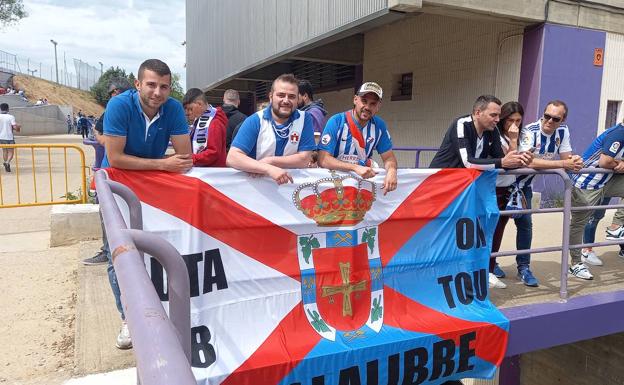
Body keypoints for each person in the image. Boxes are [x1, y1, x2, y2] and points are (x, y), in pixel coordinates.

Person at [101, 59, 192, 349]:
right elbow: (115, 158)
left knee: (156, 248)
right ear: (138, 84)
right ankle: (128, 318)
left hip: (151, 189)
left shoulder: (174, 108)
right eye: (151, 84)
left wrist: (161, 167)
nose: (157, 92)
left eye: (164, 86)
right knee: (121, 253)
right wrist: (162, 165)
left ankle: (158, 307)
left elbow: (185, 156)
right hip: (116, 187)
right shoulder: (119, 105)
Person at [429, 95, 533, 289]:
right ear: (478, 113)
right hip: (441, 188)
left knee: (470, 234)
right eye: (493, 115)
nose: (497, 119)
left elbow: (504, 162)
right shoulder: (461, 124)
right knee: (442, 236)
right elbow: (469, 161)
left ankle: (480, 273)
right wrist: (503, 162)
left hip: (465, 191)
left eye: (498, 115)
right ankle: (436, 276)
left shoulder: (491, 130)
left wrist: (513, 143)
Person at [227, 73, 315, 184]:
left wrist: (270, 161)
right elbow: (232, 158)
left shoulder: (305, 119)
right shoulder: (255, 120)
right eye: (281, 95)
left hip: (290, 188)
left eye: (292, 96)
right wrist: (267, 168)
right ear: (271, 97)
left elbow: (304, 159)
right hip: (257, 188)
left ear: (298, 99)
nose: (286, 100)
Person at [82, 79, 132, 267]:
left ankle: (113, 251)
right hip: (110, 170)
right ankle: (108, 250)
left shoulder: (130, 109)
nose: (112, 97)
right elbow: (100, 134)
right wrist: (104, 139)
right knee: (108, 214)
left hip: (125, 173)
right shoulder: (111, 111)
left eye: (113, 92)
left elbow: (101, 136)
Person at [317, 81, 398, 195]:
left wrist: (392, 171)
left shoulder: (379, 126)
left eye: (373, 103)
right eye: (364, 101)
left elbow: (389, 157)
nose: (367, 107)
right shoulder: (337, 121)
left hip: (359, 186)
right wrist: (355, 168)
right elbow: (323, 160)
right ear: (355, 99)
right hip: (332, 184)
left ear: (378, 107)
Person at [569, 121, 624, 279]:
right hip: (587, 183)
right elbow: (605, 162)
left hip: (606, 181)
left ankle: (616, 227)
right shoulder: (619, 133)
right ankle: (576, 263)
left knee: (590, 219)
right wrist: (618, 163)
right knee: (578, 224)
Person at [182, 88, 228, 167]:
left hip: (212, 174)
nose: (187, 113)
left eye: (190, 109)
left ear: (199, 104)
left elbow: (213, 152)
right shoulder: (199, 121)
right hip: (205, 171)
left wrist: (190, 159)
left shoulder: (215, 123)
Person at [0, 103, 20, 172]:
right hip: (9, 137)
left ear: (0, 109)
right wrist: (18, 127)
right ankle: (7, 162)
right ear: (8, 109)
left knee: (4, 151)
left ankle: (6, 163)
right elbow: (14, 127)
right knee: (11, 152)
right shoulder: (11, 117)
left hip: (1, 137)